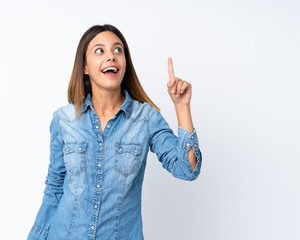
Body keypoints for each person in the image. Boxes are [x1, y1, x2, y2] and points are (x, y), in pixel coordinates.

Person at [27, 24, 202, 240]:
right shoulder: (64, 120)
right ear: (85, 67)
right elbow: (54, 189)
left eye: (118, 50)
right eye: (100, 51)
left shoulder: (145, 118)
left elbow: (187, 170)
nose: (111, 56)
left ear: (125, 64)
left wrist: (182, 106)